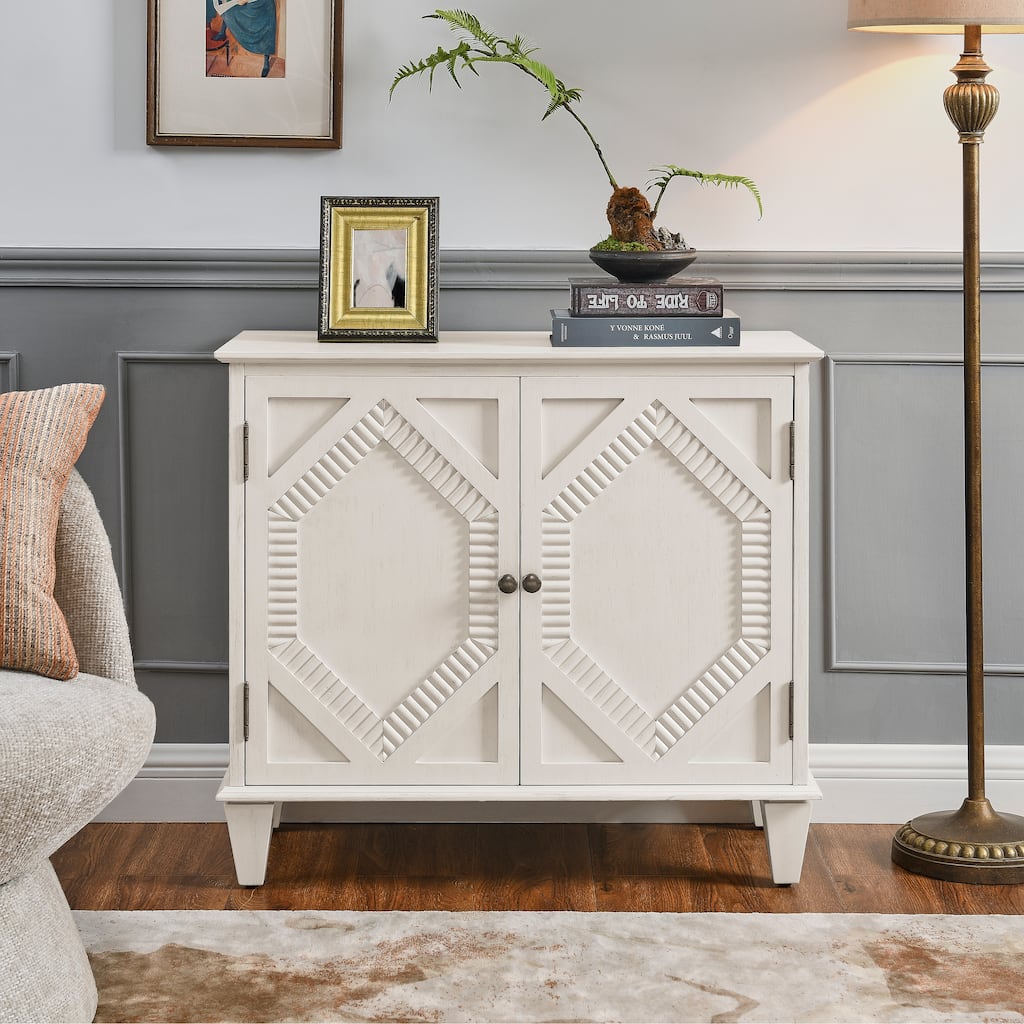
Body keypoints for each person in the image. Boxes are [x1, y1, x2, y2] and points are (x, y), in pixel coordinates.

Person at [208, 0, 278, 78]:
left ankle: (266, 62)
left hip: (264, 7)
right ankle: (222, 32)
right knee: (227, 10)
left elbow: (242, 2)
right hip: (250, 3)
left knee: (266, 34)